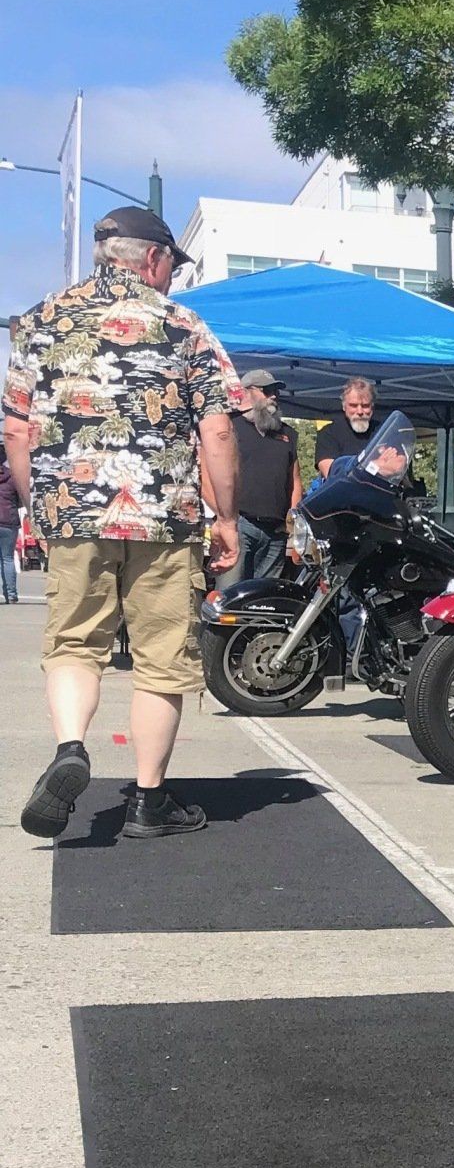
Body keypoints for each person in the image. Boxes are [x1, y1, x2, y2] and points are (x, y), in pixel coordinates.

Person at [4, 205, 241, 840]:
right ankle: (148, 801)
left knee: (73, 643)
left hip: (72, 512)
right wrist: (228, 518)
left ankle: (71, 749)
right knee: (163, 660)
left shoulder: (40, 321)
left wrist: (41, 506)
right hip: (164, 516)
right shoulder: (183, 324)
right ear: (155, 259)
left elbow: (17, 429)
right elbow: (216, 427)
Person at [224, 370, 302, 586]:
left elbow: (295, 481)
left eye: (275, 391)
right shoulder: (230, 427)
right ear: (246, 392)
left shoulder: (288, 433)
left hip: (275, 532)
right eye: (267, 390)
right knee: (230, 596)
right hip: (240, 524)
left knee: (264, 600)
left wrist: (293, 526)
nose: (274, 396)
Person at [315, 374, 377, 475]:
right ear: (344, 406)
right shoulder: (328, 433)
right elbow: (331, 473)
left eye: (365, 406)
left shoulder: (384, 430)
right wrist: (377, 466)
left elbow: (397, 467)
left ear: (372, 407)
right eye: (353, 405)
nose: (360, 411)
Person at [0, 451, 19, 602]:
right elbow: (20, 498)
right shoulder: (13, 478)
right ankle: (11, 595)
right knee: (8, 558)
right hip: (8, 520)